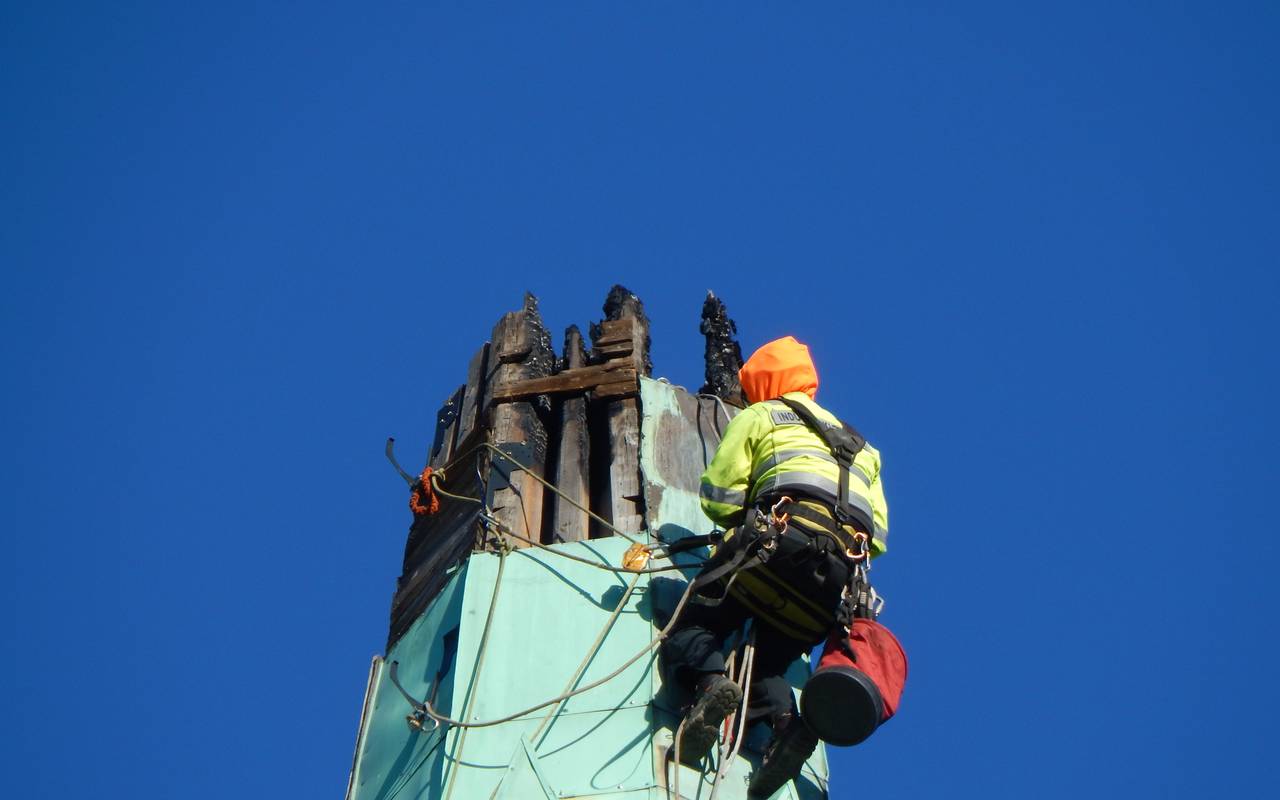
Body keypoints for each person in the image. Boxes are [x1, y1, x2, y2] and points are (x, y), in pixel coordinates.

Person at [661, 335, 889, 797]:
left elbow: (718, 496)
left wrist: (742, 524)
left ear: (761, 383)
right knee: (769, 665)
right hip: (832, 590)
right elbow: (878, 537)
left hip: (772, 553)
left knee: (692, 626)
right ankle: (787, 729)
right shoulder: (866, 450)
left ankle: (709, 687)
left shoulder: (761, 415)